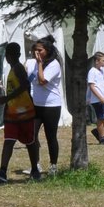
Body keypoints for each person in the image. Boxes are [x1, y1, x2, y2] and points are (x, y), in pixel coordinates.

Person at [0, 42, 40, 182]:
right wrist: (7, 105)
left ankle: (35, 169)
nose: (7, 58)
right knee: (9, 141)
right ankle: (2, 171)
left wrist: (6, 98)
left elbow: (25, 85)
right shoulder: (12, 70)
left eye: (9, 55)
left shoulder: (18, 68)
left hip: (24, 112)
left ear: (9, 56)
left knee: (30, 142)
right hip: (12, 113)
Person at [29, 37, 64, 173]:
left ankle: (53, 165)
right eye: (35, 50)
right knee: (31, 136)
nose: (36, 53)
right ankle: (35, 164)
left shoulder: (54, 64)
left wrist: (39, 64)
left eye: (40, 50)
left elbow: (43, 80)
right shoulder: (33, 63)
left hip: (51, 106)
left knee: (51, 136)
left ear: (47, 51)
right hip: (36, 104)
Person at [87, 51, 104, 145]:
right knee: (100, 118)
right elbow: (92, 86)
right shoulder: (92, 71)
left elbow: (100, 84)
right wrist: (99, 97)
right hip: (97, 99)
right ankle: (102, 138)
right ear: (96, 61)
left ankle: (98, 130)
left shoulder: (101, 71)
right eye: (103, 60)